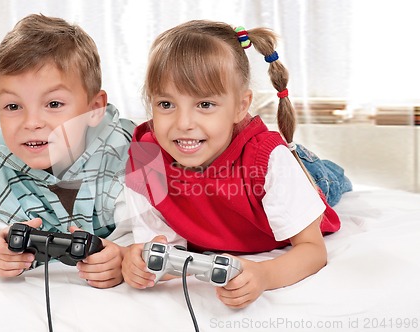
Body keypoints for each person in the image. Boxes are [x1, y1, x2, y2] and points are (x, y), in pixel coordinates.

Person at [121, 20, 351, 307]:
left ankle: (318, 166)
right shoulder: (146, 157)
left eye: (205, 104)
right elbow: (159, 246)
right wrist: (140, 263)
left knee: (326, 179)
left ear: (241, 107)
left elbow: (312, 250)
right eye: (166, 104)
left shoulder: (268, 159)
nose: (183, 124)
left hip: (303, 174)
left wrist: (264, 275)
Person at [0, 14, 135, 289]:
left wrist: (123, 255)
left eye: (54, 104)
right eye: (13, 106)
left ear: (94, 109)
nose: (32, 122)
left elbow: (142, 230)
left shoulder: (122, 152)